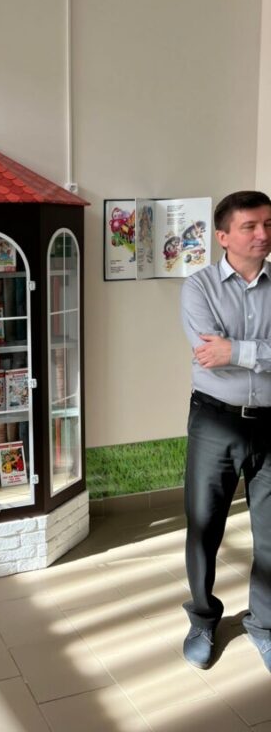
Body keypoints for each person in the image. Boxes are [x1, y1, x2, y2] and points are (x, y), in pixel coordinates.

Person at [180, 190, 271, 671]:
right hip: (215, 419)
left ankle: (265, 624)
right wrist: (259, 353)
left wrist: (235, 350)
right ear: (223, 236)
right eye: (250, 226)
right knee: (203, 525)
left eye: (268, 225)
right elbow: (206, 355)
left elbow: (222, 354)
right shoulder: (198, 288)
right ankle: (202, 618)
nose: (263, 235)